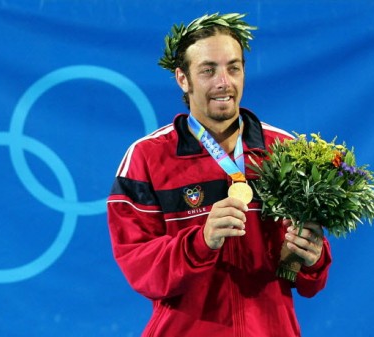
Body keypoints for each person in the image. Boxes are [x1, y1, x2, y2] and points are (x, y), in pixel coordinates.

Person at [106, 13, 331, 337]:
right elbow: (140, 267)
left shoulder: (286, 151)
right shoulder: (146, 158)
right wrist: (201, 242)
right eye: (208, 70)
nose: (223, 82)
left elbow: (303, 278)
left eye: (233, 68)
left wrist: (311, 259)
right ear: (182, 78)